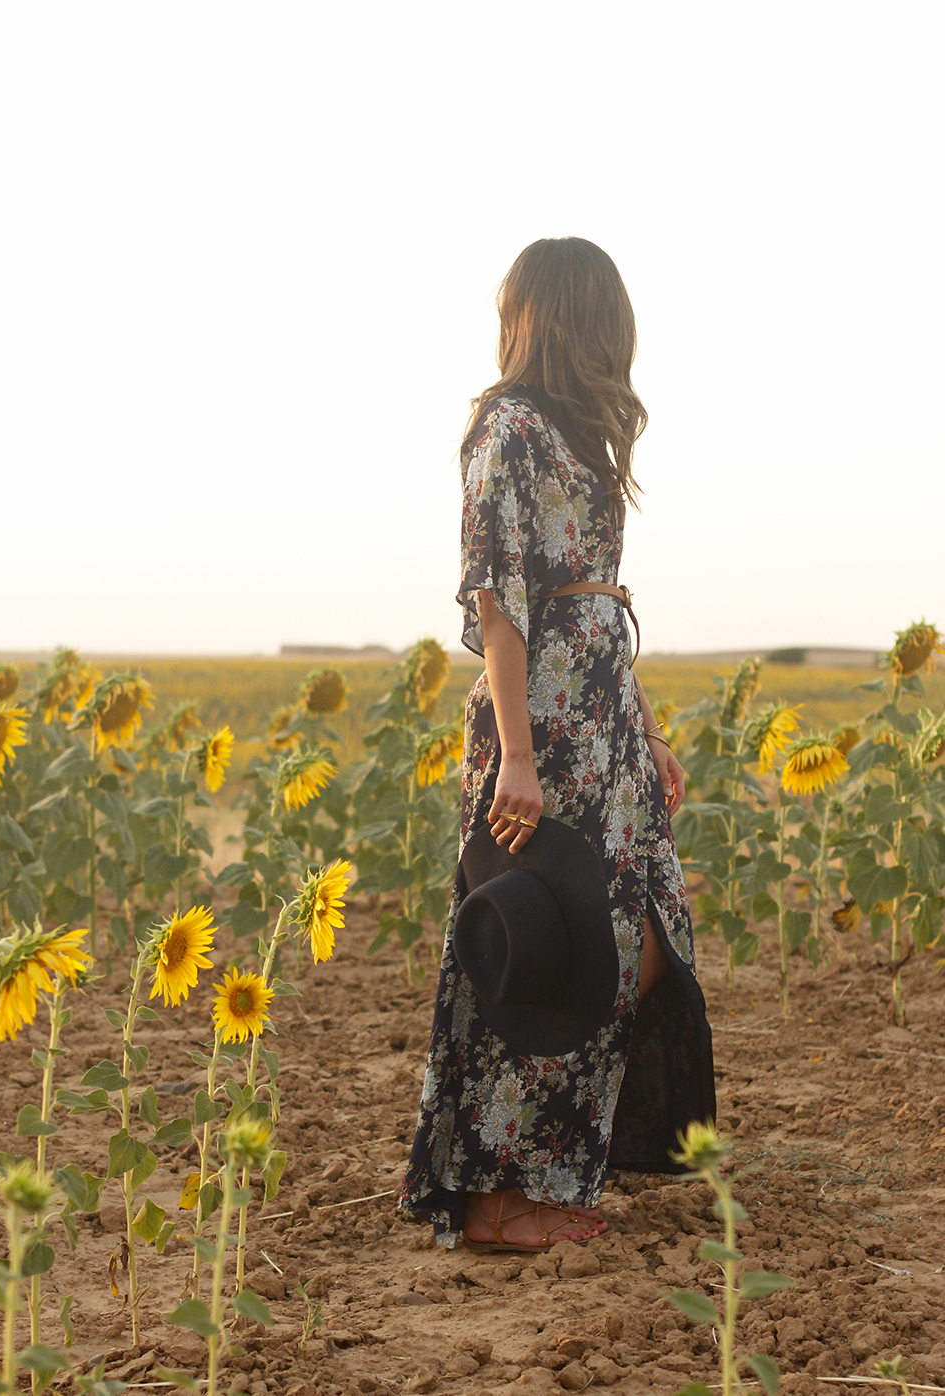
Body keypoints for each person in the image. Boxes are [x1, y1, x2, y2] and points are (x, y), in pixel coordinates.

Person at [400, 237, 715, 1251]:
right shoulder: (507, 426)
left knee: (641, 940)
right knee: (545, 943)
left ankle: (545, 1166)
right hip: (540, 728)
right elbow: (500, 606)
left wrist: (646, 728)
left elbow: (595, 604)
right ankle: (495, 1195)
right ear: (581, 319)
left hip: (605, 723)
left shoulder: (575, 435)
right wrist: (518, 755)